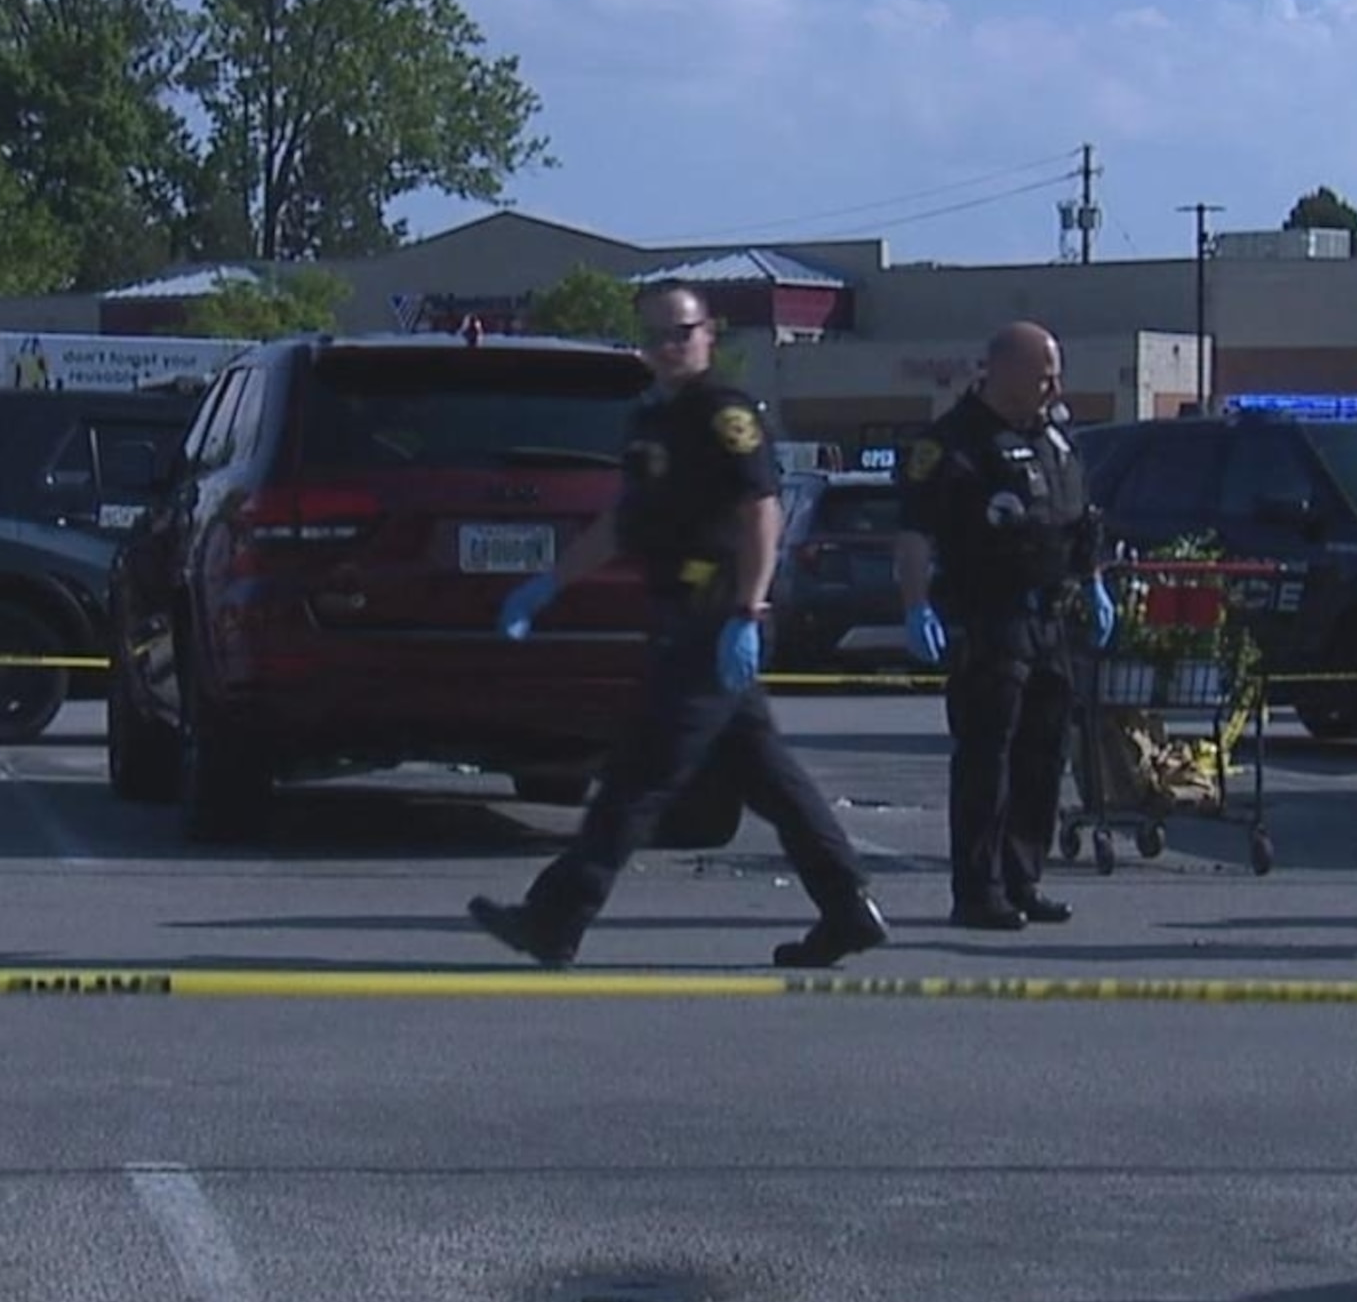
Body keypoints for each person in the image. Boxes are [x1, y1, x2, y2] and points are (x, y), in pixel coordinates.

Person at [469, 280, 889, 970]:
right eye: (656, 335)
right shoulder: (651, 419)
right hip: (678, 616)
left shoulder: (723, 414)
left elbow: (762, 510)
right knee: (769, 777)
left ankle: (554, 917)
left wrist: (748, 610)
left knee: (639, 776)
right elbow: (620, 522)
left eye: (682, 332)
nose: (669, 347)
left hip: (716, 618)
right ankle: (847, 907)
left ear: (708, 335)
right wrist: (547, 585)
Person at [894, 322, 1116, 930]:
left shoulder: (1055, 437)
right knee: (987, 758)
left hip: (1052, 619)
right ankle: (979, 890)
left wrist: (1093, 582)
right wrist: (917, 606)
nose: (1055, 386)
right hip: (987, 616)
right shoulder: (953, 444)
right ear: (1005, 370)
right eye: (1045, 374)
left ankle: (1024, 879)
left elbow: (1078, 523)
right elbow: (915, 531)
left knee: (1044, 755)